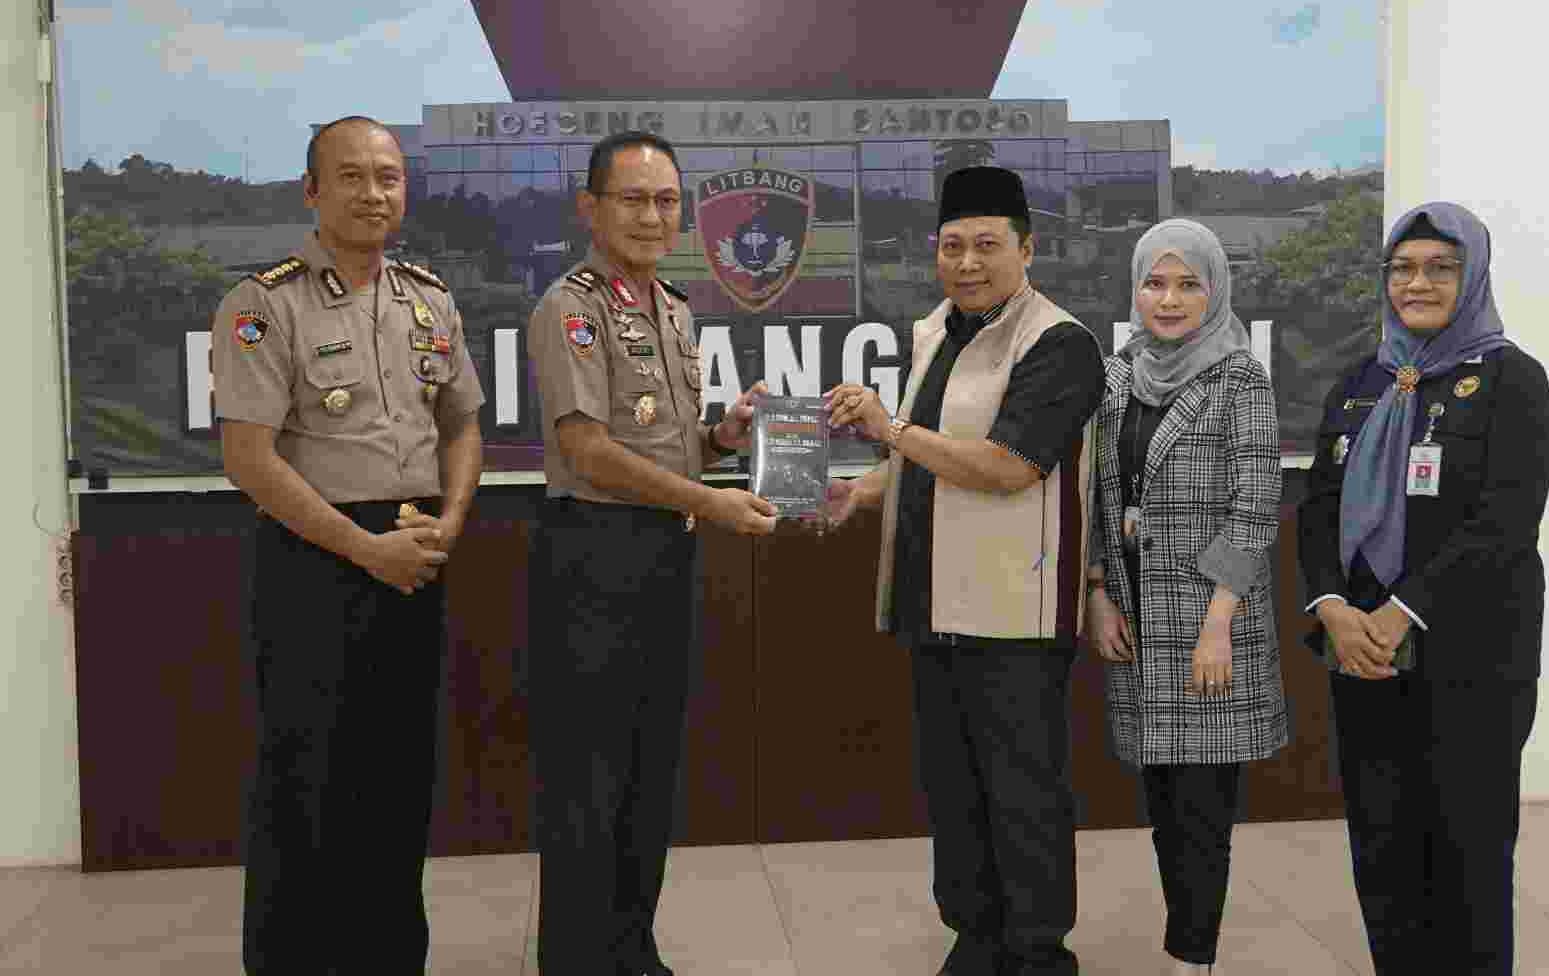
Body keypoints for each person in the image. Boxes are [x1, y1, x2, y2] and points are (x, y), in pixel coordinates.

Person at [213, 115, 485, 975]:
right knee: (305, 782)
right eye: (353, 177)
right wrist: (366, 551)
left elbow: (463, 425)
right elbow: (249, 459)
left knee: (398, 781)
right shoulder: (264, 304)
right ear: (311, 191)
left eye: (389, 178)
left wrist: (450, 519)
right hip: (315, 564)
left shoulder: (429, 299)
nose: (374, 194)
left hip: (414, 556)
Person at [823, 166, 1105, 976]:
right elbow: (930, 455)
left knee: (1024, 796)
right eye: (952, 246)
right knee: (954, 791)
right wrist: (864, 489)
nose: (968, 262)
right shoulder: (937, 330)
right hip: (932, 603)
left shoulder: (1060, 343)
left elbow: (1009, 465)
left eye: (987, 245)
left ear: (1028, 249)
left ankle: (1038, 953)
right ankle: (977, 936)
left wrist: (890, 428)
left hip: (1014, 612)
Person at [527, 130, 779, 976]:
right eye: (632, 199)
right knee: (588, 782)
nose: (651, 216)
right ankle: (577, 960)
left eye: (666, 200)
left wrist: (722, 437)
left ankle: (631, 951)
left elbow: (665, 449)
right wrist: (709, 501)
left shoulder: (671, 307)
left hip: (664, 557)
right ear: (590, 207)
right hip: (593, 560)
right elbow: (590, 452)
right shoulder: (572, 308)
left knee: (646, 774)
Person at [1297, 202, 1549, 975]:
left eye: (1440, 268)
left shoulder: (1514, 381)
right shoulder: (1361, 381)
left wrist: (1404, 609)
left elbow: (1504, 521)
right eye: (1403, 268)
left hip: (1473, 660)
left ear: (1472, 276)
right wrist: (1334, 606)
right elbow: (1318, 509)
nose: (1418, 283)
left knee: (1467, 851)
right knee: (1382, 848)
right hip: (1364, 656)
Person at [1082, 219, 1287, 976]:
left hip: (1210, 626)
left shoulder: (1241, 378)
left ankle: (1190, 958)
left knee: (1202, 811)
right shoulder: (1116, 377)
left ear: (1214, 291)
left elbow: (1254, 508)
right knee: (1165, 806)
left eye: (1188, 284)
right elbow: (1095, 495)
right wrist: (1098, 592)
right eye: (1155, 283)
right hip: (1138, 620)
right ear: (1135, 289)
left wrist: (1217, 624)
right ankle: (1187, 946)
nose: (1168, 300)